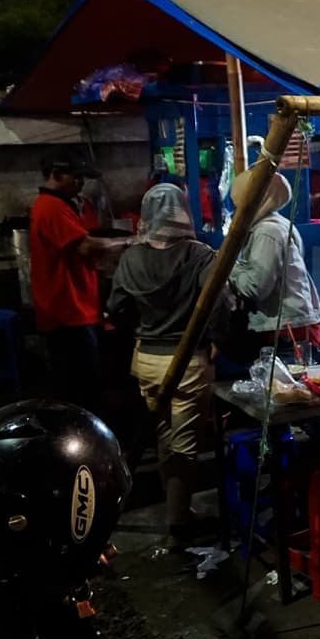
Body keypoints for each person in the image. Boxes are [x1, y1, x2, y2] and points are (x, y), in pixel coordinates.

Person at [107, 184, 219, 548]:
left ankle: (178, 513)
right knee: (184, 445)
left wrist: (144, 327)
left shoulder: (131, 257)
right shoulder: (201, 256)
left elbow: (117, 308)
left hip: (146, 360)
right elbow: (222, 305)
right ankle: (178, 525)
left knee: (164, 436)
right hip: (187, 361)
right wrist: (217, 339)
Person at [29, 147, 119, 411]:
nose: (80, 184)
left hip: (74, 307)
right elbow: (86, 247)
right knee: (81, 386)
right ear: (56, 174)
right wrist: (130, 242)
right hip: (67, 311)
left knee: (81, 382)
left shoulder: (61, 205)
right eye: (76, 177)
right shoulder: (52, 207)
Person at [228, 169, 320, 364]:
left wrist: (229, 266)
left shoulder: (268, 231)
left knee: (286, 391)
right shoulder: (278, 224)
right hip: (289, 328)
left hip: (285, 332)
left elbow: (254, 287)